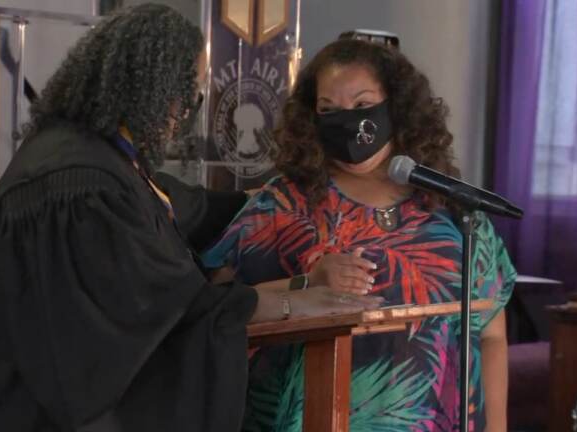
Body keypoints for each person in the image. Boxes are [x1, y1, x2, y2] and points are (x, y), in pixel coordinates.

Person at [0, 5, 380, 431]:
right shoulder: (79, 191)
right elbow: (155, 316)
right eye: (189, 93)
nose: (186, 113)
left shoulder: (102, 162)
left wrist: (281, 194)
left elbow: (188, 208)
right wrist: (292, 302)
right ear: (154, 89)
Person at [203, 38, 516, 431]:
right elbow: (213, 305)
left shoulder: (451, 208)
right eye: (329, 110)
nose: (347, 122)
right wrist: (307, 284)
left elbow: (491, 335)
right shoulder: (284, 204)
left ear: (396, 106)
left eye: (363, 106)